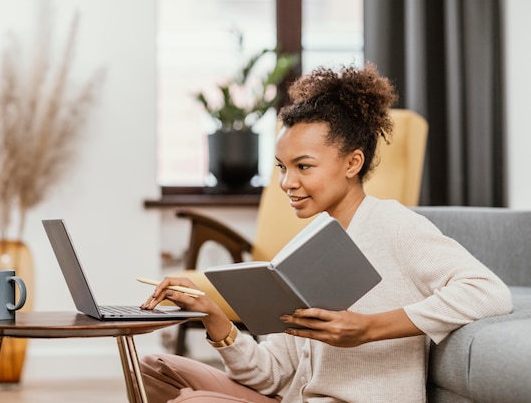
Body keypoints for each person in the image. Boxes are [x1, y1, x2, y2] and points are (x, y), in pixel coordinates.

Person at [139, 63, 513, 403]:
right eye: (282, 167)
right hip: (292, 398)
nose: (287, 182)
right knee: (153, 369)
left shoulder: (395, 226)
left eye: (304, 166)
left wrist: (369, 328)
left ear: (353, 163)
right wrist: (212, 316)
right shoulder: (304, 245)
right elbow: (270, 374)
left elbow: (488, 292)